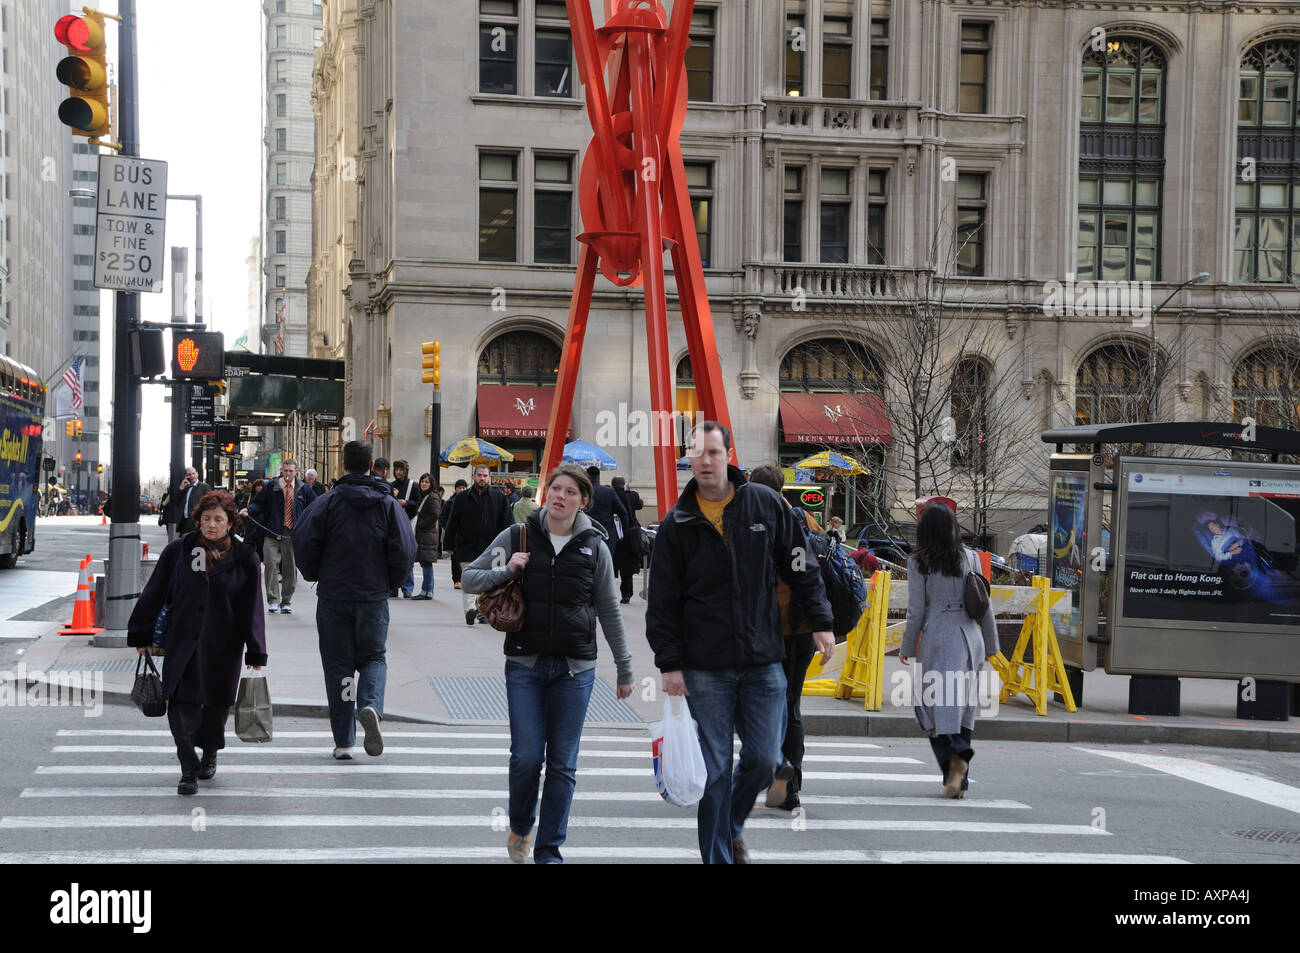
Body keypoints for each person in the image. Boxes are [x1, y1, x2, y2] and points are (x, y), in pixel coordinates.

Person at [646, 422, 834, 864]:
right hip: (704, 667)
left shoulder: (765, 504)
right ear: (689, 459)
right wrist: (669, 664)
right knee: (714, 773)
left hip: (763, 660)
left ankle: (729, 828)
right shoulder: (678, 523)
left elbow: (800, 566)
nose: (706, 461)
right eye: (698, 453)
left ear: (729, 454)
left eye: (714, 452)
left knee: (766, 761)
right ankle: (719, 856)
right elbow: (663, 602)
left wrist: (821, 620)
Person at [463, 464, 634, 864]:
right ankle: (522, 825)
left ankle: (549, 852)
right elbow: (470, 576)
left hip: (576, 671)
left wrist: (625, 668)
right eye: (554, 489)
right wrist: (508, 570)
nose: (559, 496)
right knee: (525, 757)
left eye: (569, 492)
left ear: (583, 501)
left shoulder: (596, 547)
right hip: (526, 665)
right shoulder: (519, 535)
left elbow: (610, 610)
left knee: (562, 764)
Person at [127, 490, 267, 796]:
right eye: (206, 519)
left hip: (223, 645)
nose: (211, 525)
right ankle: (187, 769)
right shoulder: (180, 550)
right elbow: (154, 592)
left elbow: (252, 608)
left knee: (215, 710)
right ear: (198, 520)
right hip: (183, 641)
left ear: (231, 522)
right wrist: (141, 633)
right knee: (181, 706)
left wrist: (256, 648)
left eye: (218, 519)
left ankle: (211, 752)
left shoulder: (245, 559)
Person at [292, 440, 416, 760]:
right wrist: (391, 582)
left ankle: (344, 741)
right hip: (373, 596)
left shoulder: (328, 501)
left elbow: (303, 540)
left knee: (339, 667)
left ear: (343, 465)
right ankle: (371, 706)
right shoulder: (388, 504)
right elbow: (404, 548)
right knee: (373, 657)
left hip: (334, 595)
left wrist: (314, 574)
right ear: (372, 464)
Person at [899, 502, 999, 800]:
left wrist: (907, 646)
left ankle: (955, 757)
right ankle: (959, 782)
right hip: (971, 638)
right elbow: (984, 603)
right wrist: (992, 644)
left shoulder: (919, 563)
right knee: (963, 707)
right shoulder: (969, 557)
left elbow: (916, 611)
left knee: (932, 707)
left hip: (940, 638)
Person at [747, 464, 820, 812]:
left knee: (759, 707)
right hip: (802, 630)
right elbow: (813, 571)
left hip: (765, 630)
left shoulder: (753, 520)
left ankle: (777, 768)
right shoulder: (804, 519)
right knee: (791, 705)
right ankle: (788, 785)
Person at [241, 460, 315, 615]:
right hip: (272, 531)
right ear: (281, 470)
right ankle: (273, 600)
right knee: (270, 564)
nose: (287, 474)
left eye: (291, 471)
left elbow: (314, 506)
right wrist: (249, 510)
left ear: (296, 471)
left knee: (290, 568)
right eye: (285, 471)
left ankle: (286, 601)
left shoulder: (303, 489)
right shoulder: (271, 486)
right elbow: (258, 503)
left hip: (292, 534)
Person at [442, 464, 512, 625]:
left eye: (485, 475)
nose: (482, 478)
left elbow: (508, 524)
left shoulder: (499, 498)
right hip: (467, 545)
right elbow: (453, 521)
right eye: (479, 475)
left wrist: (509, 546)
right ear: (474, 476)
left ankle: (482, 611)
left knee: (489, 581)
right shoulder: (462, 497)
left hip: (492, 548)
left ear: (489, 478)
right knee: (468, 579)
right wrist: (449, 544)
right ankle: (470, 609)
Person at [609, 476, 644, 604]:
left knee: (610, 565)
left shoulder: (610, 495)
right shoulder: (632, 496)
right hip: (629, 535)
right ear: (623, 485)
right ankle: (626, 594)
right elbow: (640, 505)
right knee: (627, 568)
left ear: (612, 485)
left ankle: (609, 594)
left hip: (613, 534)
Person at [584, 465, 629, 562]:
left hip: (586, 534)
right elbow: (623, 513)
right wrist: (622, 532)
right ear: (599, 477)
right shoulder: (609, 492)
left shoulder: (582, 492)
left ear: (587, 477)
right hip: (607, 534)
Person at [411, 473, 440, 600]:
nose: (424, 483)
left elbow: (435, 514)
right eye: (422, 481)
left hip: (427, 534)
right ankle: (427, 590)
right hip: (425, 534)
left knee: (426, 563)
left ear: (431, 484)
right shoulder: (425, 496)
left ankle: (427, 591)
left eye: (427, 482)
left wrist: (422, 525)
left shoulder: (432, 496)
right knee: (425, 562)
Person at [171, 467, 212, 536]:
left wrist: (203, 519)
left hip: (197, 522)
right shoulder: (186, 487)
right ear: (186, 476)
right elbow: (176, 501)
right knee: (184, 543)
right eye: (189, 474)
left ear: (197, 474)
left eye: (193, 473)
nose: (192, 476)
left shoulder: (204, 487)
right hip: (184, 522)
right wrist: (181, 488)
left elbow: (210, 504)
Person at [445, 480, 467, 588]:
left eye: (464, 488)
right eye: (460, 488)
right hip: (454, 534)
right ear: (456, 489)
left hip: (466, 534)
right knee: (455, 557)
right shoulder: (450, 502)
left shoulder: (470, 501)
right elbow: (443, 517)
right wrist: (449, 528)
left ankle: (466, 578)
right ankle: (457, 579)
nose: (462, 490)